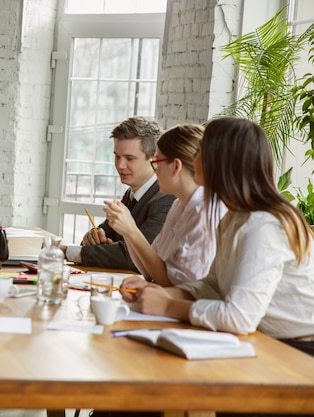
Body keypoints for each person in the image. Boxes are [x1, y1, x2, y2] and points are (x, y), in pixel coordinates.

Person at [120, 117, 314, 358]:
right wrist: (160, 294)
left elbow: (240, 318)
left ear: (220, 161)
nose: (194, 157)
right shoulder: (234, 216)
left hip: (297, 351)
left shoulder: (263, 226)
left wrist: (170, 306)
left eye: (201, 151)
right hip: (264, 340)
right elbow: (212, 285)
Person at [103, 124, 226, 286]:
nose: (155, 170)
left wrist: (132, 230)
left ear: (176, 166)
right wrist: (125, 231)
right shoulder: (178, 205)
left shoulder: (204, 212)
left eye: (157, 163)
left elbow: (174, 284)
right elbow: (148, 270)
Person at [61, 116, 175, 271]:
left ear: (154, 159)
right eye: (117, 156)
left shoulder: (166, 200)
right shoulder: (131, 194)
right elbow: (103, 234)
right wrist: (92, 238)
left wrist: (67, 251)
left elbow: (133, 257)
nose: (120, 165)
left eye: (130, 158)